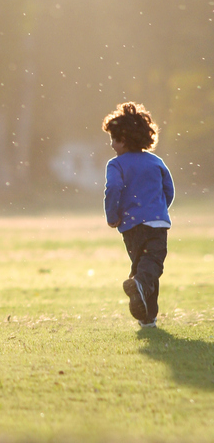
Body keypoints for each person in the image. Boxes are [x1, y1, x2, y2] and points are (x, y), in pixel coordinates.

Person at [102, 102, 174, 328]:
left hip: (131, 227)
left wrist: (112, 215)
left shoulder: (116, 165)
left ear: (124, 140)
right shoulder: (156, 162)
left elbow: (113, 189)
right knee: (151, 266)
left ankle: (147, 319)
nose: (112, 145)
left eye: (114, 139)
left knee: (142, 266)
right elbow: (168, 190)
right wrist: (160, 210)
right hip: (156, 223)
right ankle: (143, 299)